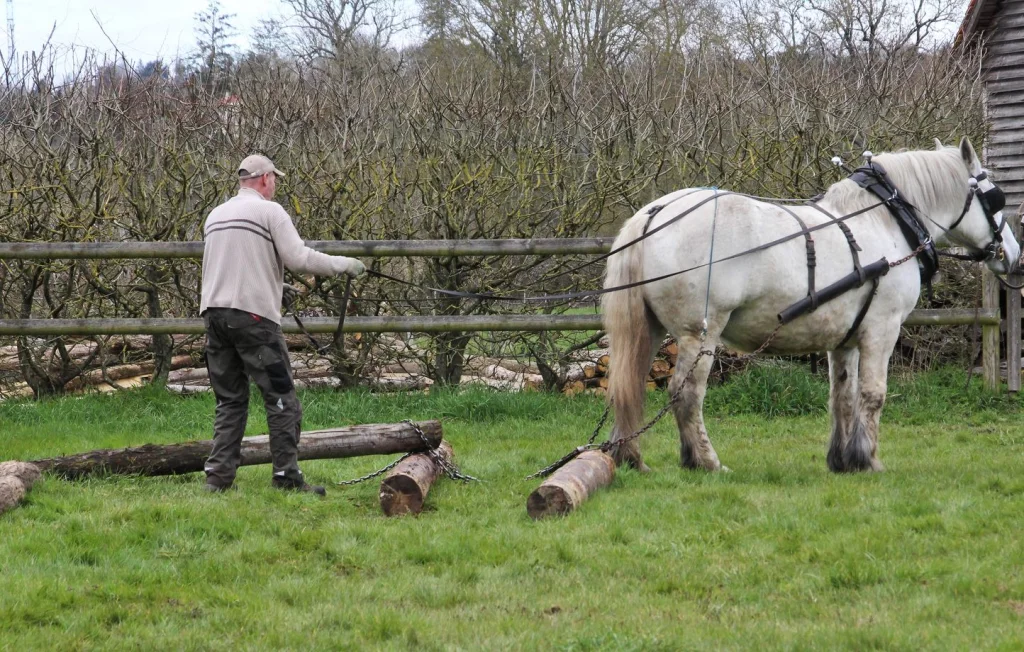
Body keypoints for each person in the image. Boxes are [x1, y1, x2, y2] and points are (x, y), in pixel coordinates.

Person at [199, 154, 366, 495]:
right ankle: (287, 478)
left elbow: (238, 263)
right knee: (280, 397)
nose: (275, 184)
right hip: (254, 321)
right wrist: (344, 264)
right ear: (263, 179)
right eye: (274, 178)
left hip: (215, 316)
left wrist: (276, 284)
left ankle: (216, 480)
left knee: (230, 400)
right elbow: (299, 257)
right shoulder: (269, 211)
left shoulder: (215, 215)